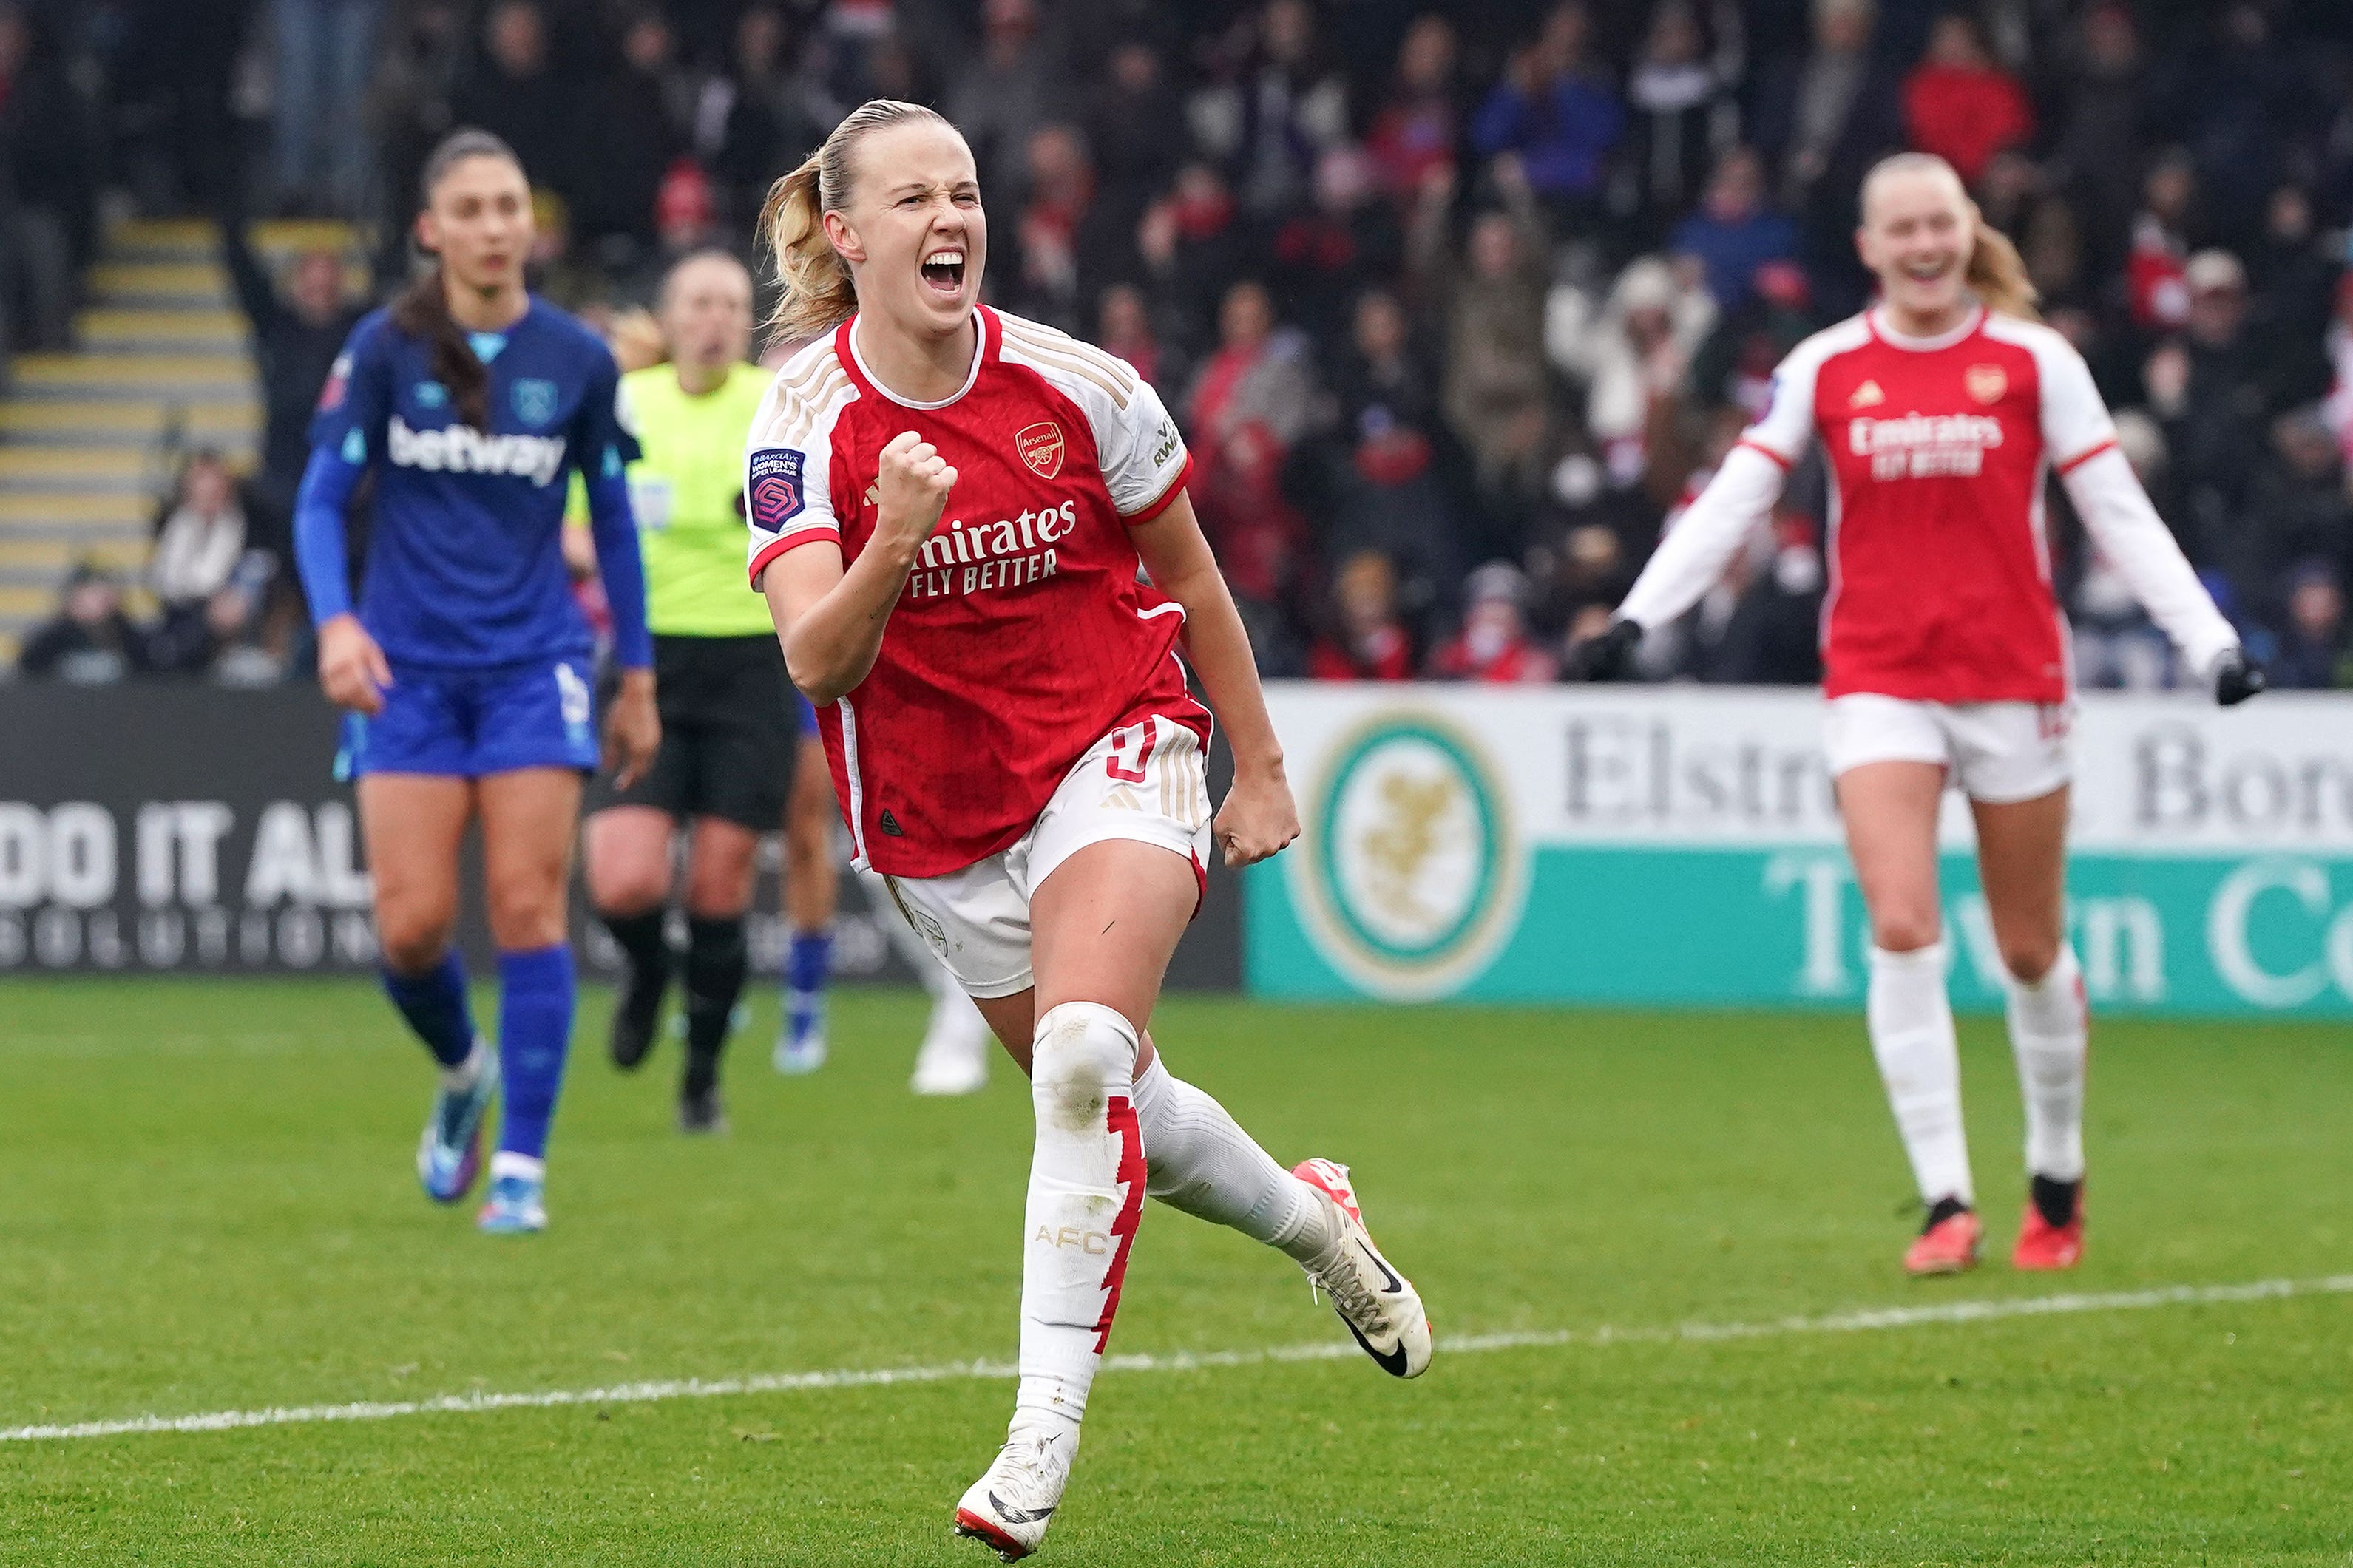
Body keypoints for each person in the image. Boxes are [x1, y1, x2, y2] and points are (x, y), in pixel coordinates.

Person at [746, 100, 1431, 1560]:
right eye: (915, 200)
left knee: (1077, 1064)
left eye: (967, 192)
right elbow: (818, 660)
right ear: (846, 234)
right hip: (934, 819)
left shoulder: (1082, 385)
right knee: (1129, 1111)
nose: (951, 221)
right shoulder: (801, 423)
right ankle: (1317, 1222)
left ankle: (1033, 1445)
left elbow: (1186, 570)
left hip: (1116, 744)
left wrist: (1256, 762)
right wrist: (894, 543)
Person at [1570, 152, 2264, 1279]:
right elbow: (1736, 494)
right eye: (1902, 229)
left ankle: (2054, 1173)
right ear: (1869, 246)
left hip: (2014, 680)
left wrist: (2209, 645)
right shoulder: (1828, 367)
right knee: (1901, 924)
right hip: (1880, 677)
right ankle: (1945, 1198)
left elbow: (2117, 513)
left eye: (1940, 223)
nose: (1925, 244)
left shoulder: (2035, 362)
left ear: (1968, 228)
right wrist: (1637, 618)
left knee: (2030, 948)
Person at [293, 129, 659, 1235]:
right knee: (408, 930)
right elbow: (317, 503)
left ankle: (521, 1168)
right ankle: (463, 1072)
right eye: (475, 207)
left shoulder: (577, 360)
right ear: (432, 229)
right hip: (404, 671)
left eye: (511, 205)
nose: (498, 225)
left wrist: (633, 671)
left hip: (532, 663)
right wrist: (335, 625)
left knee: (525, 905)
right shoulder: (382, 349)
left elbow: (617, 530)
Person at [578, 250, 784, 1132]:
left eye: (732, 306)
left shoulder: (777, 407)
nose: (716, 319)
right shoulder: (627, 404)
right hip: (645, 662)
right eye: (699, 303)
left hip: (750, 660)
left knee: (717, 888)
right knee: (622, 881)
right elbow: (578, 534)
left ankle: (700, 1078)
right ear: (669, 318)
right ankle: (648, 971)